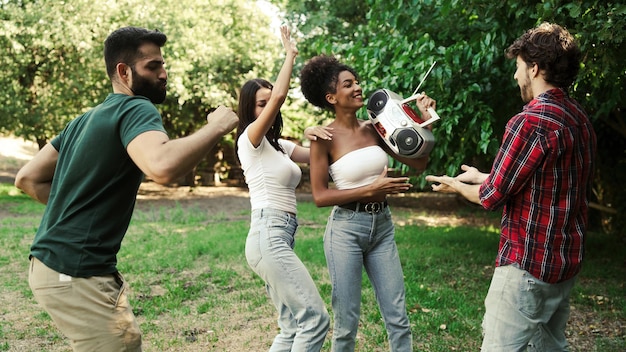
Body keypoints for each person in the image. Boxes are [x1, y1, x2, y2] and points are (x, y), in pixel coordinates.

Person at [14, 26, 238, 351]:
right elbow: (162, 167)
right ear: (124, 71)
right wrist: (216, 127)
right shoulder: (136, 108)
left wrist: (80, 213)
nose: (163, 74)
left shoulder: (83, 121)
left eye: (163, 65)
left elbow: (28, 179)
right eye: (152, 66)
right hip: (75, 272)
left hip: (48, 269)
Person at [425, 22, 596, 351]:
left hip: (526, 269)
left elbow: (490, 198)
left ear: (533, 68)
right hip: (562, 267)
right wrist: (484, 175)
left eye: (518, 68)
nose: (516, 77)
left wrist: (455, 185)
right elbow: (545, 185)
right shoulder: (579, 118)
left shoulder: (529, 121)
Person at [299, 54, 437, 352]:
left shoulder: (376, 128)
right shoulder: (322, 137)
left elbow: (419, 162)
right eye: (348, 84)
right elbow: (320, 197)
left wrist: (425, 120)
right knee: (347, 321)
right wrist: (370, 188)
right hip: (345, 230)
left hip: (382, 227)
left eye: (357, 81)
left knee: (398, 316)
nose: (358, 87)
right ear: (331, 97)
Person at [236, 26, 332, 351]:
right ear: (250, 109)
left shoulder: (279, 147)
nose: (268, 108)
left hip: (280, 235)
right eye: (260, 104)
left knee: (291, 327)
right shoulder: (250, 140)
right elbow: (279, 95)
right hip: (267, 234)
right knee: (314, 318)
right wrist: (290, 55)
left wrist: (317, 129)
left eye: (268, 103)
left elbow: (321, 158)